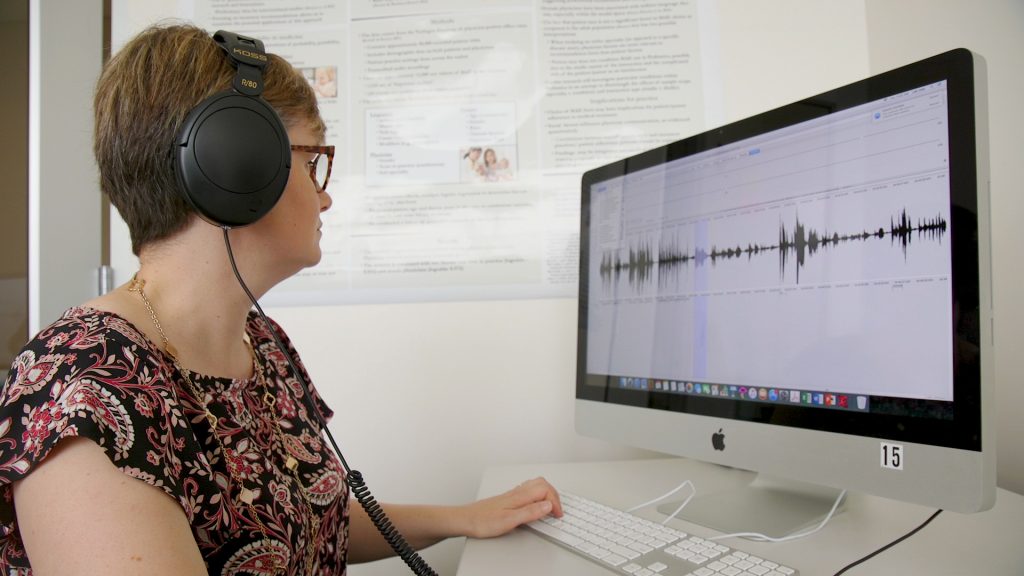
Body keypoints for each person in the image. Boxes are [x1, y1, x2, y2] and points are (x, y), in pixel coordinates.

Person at [0, 24, 560, 575]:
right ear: (234, 166)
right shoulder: (80, 393)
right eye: (312, 161)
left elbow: (312, 521)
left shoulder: (260, 342)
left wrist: (463, 517)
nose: (326, 196)